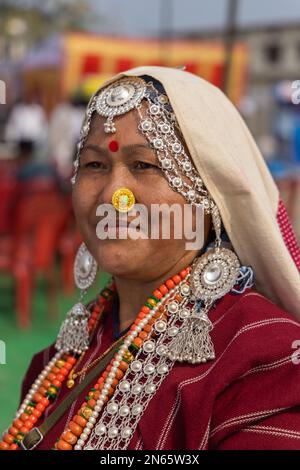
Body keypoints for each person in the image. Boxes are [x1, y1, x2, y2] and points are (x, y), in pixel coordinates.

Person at [1, 66, 300, 451]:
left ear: (210, 195)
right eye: (94, 165)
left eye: (143, 165)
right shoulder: (61, 358)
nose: (113, 195)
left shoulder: (266, 360)